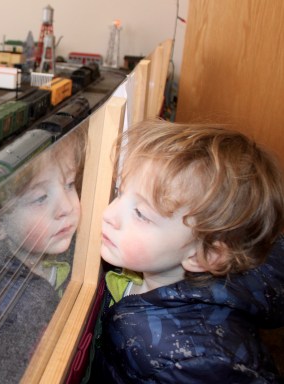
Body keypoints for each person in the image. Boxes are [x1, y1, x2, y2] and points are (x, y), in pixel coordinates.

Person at [86, 120, 284, 383]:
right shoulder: (157, 266)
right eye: (120, 193)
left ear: (203, 256)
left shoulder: (187, 360)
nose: (109, 214)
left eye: (140, 214)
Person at [0, 126, 87, 291]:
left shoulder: (83, 253)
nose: (67, 207)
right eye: (41, 198)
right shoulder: (1, 291)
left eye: (69, 184)